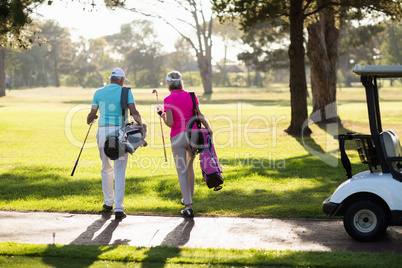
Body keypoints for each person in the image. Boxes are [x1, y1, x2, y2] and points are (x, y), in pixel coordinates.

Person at [87, 67, 143, 220]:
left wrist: (91, 118)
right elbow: (134, 111)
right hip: (120, 133)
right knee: (119, 168)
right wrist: (141, 127)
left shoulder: (98, 92)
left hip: (103, 132)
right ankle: (118, 208)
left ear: (111, 78)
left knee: (106, 167)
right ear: (122, 80)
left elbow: (90, 116)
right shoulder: (126, 92)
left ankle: (108, 203)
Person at [158, 71, 213, 217]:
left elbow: (170, 123)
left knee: (182, 171)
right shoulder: (191, 95)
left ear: (168, 84)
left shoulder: (168, 99)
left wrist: (162, 114)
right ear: (181, 82)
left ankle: (188, 206)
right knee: (189, 168)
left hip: (178, 137)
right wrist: (208, 128)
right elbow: (199, 115)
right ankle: (189, 197)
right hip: (194, 135)